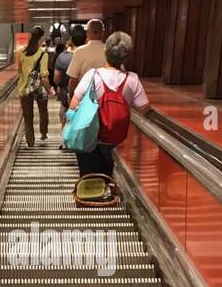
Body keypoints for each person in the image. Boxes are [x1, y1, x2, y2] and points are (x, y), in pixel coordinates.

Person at [67, 30, 150, 178]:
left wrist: (70, 125)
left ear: (106, 51)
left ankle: (89, 198)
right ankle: (106, 196)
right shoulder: (132, 80)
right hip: (116, 141)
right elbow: (144, 108)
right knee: (108, 177)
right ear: (127, 56)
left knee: (87, 178)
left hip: (88, 137)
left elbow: (74, 104)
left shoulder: (92, 75)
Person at [14, 25, 52, 145]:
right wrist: (50, 90)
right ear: (41, 39)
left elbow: (19, 71)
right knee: (43, 111)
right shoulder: (43, 54)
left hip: (24, 89)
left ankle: (30, 142)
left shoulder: (21, 52)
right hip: (39, 89)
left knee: (28, 117)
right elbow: (44, 76)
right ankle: (44, 133)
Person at [65, 18, 107, 90]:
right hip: (105, 94)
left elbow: (73, 79)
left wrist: (71, 96)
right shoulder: (109, 50)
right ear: (103, 33)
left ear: (87, 33)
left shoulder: (80, 51)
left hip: (85, 94)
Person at [53, 24, 86, 104]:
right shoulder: (89, 56)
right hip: (86, 98)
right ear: (85, 40)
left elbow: (56, 80)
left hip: (67, 98)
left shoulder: (62, 58)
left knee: (65, 114)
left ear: (71, 40)